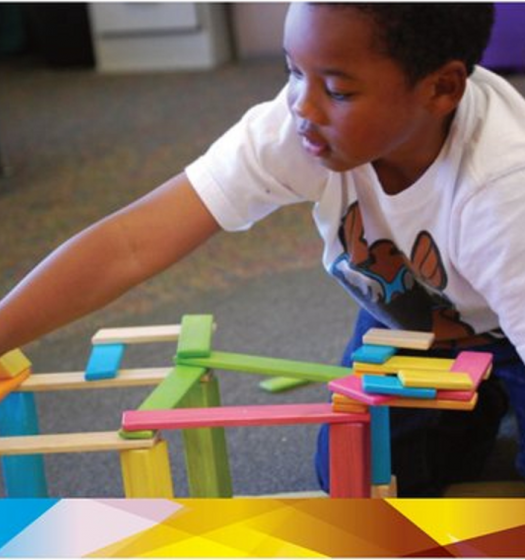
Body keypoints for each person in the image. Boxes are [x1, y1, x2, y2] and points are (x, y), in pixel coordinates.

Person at [1, 3, 524, 496]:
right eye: (293, 71)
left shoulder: (501, 193)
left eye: (338, 91)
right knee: (359, 479)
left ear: (441, 87)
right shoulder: (299, 128)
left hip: (508, 323)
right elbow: (131, 243)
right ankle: (482, 406)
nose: (301, 105)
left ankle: (493, 392)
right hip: (410, 320)